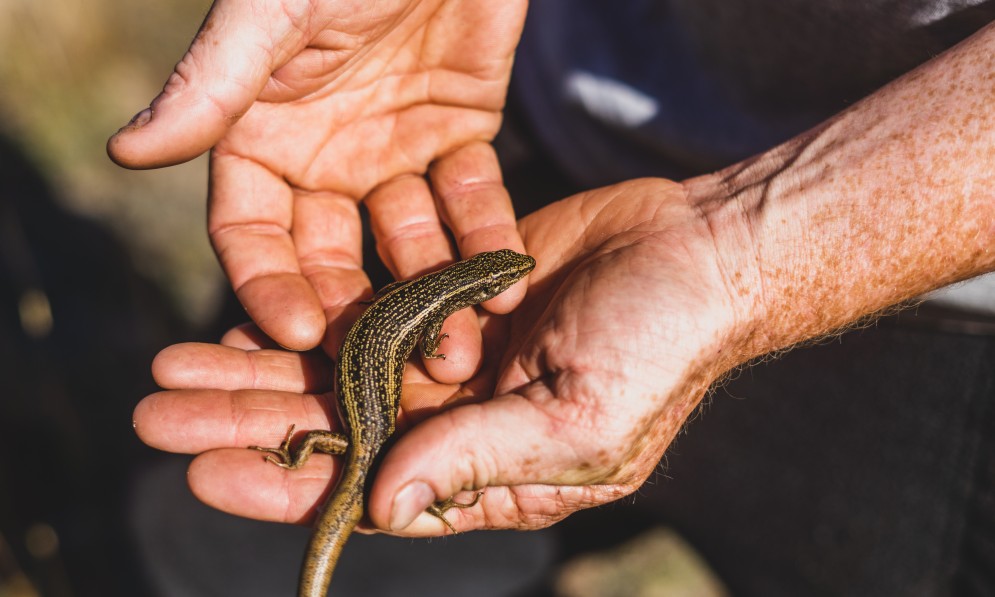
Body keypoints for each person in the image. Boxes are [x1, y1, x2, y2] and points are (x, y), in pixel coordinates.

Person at [108, 1, 995, 593]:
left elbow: (428, 327)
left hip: (954, 319)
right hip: (510, 79)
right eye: (497, 280)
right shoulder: (441, 304)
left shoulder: (430, 293)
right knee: (237, 549)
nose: (503, 282)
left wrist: (743, 247)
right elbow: (433, 336)